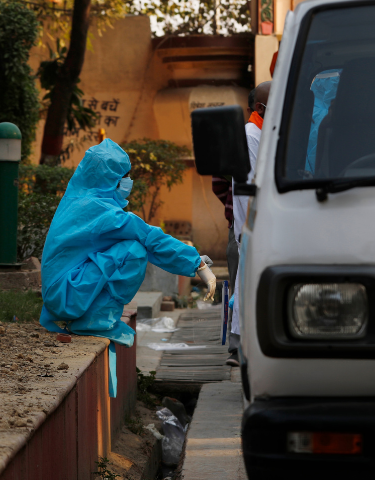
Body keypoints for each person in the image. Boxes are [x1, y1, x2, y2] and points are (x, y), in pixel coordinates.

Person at [39, 139, 216, 396]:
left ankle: (88, 317)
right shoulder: (103, 212)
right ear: (111, 179)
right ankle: (94, 321)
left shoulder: (79, 200)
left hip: (62, 294)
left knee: (129, 245)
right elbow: (150, 237)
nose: (128, 182)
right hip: (67, 297)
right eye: (125, 176)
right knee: (134, 250)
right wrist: (198, 263)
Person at [228, 81, 271, 367]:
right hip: (254, 228)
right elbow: (249, 191)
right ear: (259, 108)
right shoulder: (250, 136)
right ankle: (239, 347)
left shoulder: (266, 134)